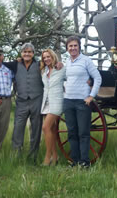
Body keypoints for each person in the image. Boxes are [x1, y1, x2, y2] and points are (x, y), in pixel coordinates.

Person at [63, 36, 102, 168]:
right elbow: (64, 78)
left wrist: (91, 96)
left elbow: (97, 77)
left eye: (75, 45)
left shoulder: (86, 61)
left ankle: (84, 162)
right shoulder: (67, 62)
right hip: (68, 101)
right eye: (70, 46)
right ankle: (74, 160)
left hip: (82, 102)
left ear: (79, 47)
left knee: (83, 133)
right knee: (72, 132)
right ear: (67, 48)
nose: (73, 48)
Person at [39, 49, 66, 166]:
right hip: (46, 102)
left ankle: (47, 156)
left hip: (57, 101)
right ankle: (55, 157)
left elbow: (72, 76)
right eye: (44, 58)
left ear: (53, 56)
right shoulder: (43, 70)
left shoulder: (61, 68)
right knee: (52, 129)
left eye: (48, 57)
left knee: (45, 127)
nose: (46, 59)